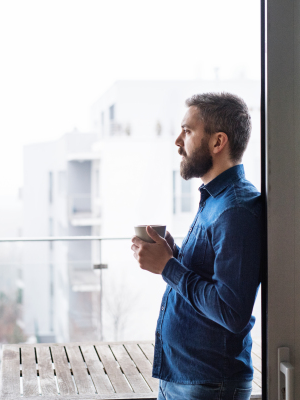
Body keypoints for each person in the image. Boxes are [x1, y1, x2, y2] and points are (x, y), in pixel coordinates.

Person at [130, 92, 262, 400]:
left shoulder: (236, 210)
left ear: (218, 142)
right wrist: (172, 255)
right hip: (186, 379)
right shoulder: (216, 201)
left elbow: (231, 311)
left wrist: (168, 267)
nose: (178, 141)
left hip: (208, 385)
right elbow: (209, 276)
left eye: (187, 131)